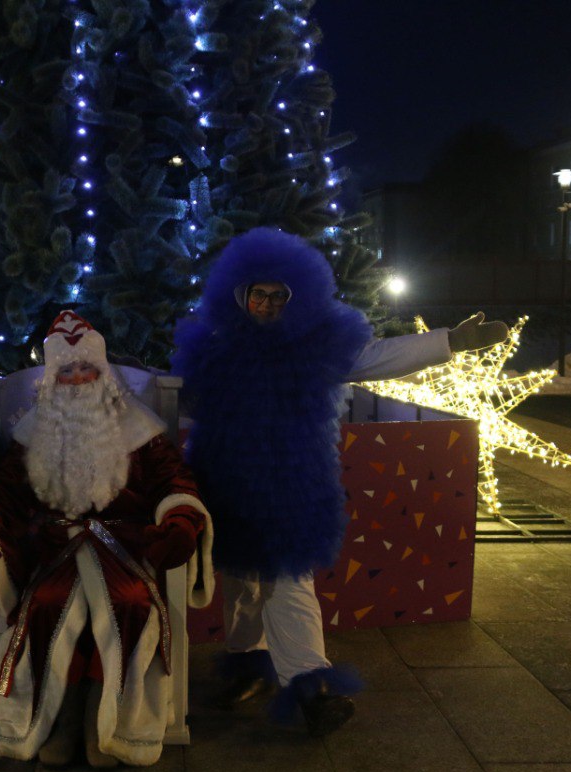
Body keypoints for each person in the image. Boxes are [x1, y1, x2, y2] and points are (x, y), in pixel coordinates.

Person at [173, 227, 507, 736]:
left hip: (291, 484)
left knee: (289, 580)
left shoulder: (318, 347)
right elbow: (184, 397)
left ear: (295, 298)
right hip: (227, 481)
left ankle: (311, 688)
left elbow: (376, 357)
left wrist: (450, 342)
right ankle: (248, 665)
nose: (265, 303)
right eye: (257, 293)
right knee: (241, 583)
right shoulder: (214, 348)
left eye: (277, 295)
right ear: (240, 295)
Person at [0, 311, 214, 768]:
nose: (76, 379)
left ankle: (104, 720)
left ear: (102, 372)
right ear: (52, 378)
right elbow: (3, 490)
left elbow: (175, 481)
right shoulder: (35, 432)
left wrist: (181, 521)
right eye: (66, 371)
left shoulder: (140, 429)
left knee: (129, 602)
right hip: (55, 550)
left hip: (127, 548)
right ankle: (63, 717)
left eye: (85, 368)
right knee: (49, 602)